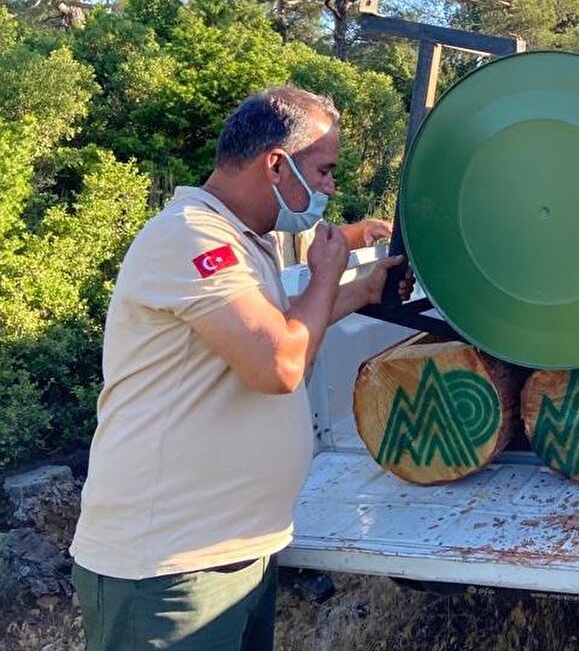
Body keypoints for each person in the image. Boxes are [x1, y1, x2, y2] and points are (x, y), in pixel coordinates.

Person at [70, 86, 412, 650]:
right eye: (323, 171)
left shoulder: (248, 242)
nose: (330, 188)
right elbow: (279, 362)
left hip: (237, 555)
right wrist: (329, 273)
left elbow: (287, 322)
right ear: (277, 165)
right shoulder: (193, 236)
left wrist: (366, 288)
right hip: (168, 570)